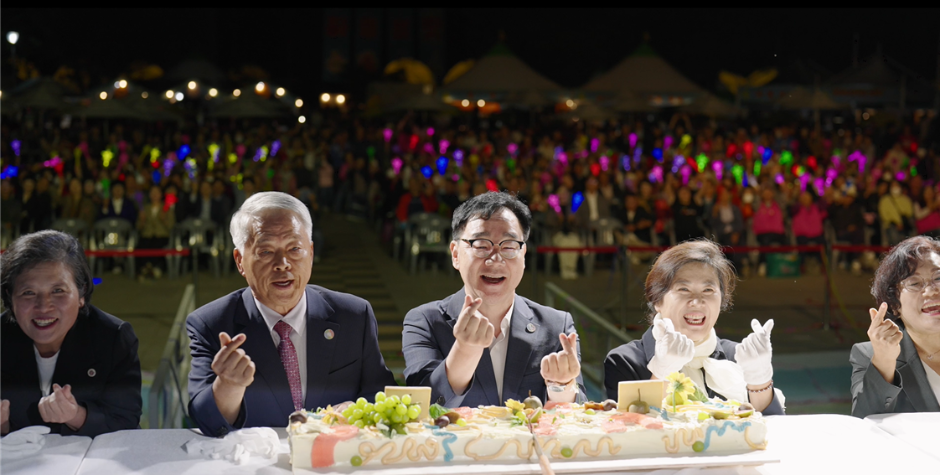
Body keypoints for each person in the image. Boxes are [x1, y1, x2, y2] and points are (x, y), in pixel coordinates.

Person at [186, 191, 396, 437]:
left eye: (294, 248)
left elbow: (379, 393)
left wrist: (357, 409)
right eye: (265, 252)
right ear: (240, 260)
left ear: (311, 252)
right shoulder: (211, 324)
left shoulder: (353, 315)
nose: (283, 263)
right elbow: (206, 421)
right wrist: (228, 387)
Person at [402, 191, 586, 407]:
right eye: (481, 245)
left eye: (508, 246)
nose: (495, 259)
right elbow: (421, 409)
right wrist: (465, 350)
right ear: (455, 254)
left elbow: (579, 416)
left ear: (523, 255)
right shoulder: (424, 321)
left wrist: (561, 386)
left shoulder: (557, 326)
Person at [604, 239, 785, 415]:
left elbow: (769, 437)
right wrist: (661, 373)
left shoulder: (738, 357)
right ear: (657, 300)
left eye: (708, 290)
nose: (697, 301)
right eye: (683, 289)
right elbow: (630, 435)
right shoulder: (625, 361)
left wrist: (760, 382)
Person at [1, 230, 142, 437]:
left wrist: (76, 415)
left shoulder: (112, 338)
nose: (44, 306)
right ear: (10, 299)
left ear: (81, 293)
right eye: (28, 293)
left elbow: (126, 420)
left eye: (58, 291)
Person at [849, 235, 940, 418]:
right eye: (914, 283)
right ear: (894, 304)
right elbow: (865, 422)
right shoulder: (868, 355)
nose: (931, 291)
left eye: (938, 278)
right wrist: (884, 360)